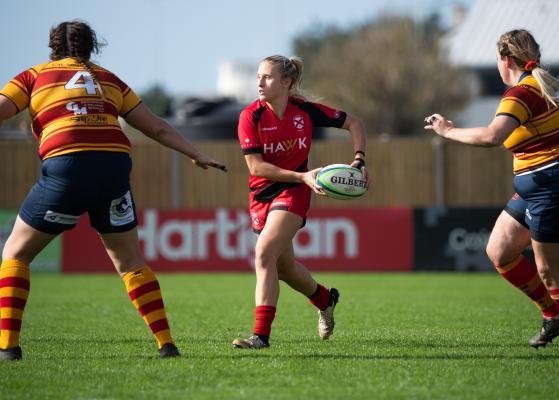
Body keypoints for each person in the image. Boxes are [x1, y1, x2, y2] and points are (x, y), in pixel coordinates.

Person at [0, 20, 227, 361]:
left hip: (68, 168)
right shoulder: (109, 79)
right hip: (114, 169)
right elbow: (158, 127)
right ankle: (167, 345)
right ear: (91, 48)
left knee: (15, 255)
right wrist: (196, 153)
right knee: (130, 262)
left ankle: (8, 348)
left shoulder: (34, 76)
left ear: (53, 47)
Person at [425, 29, 559, 352]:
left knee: (551, 272)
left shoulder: (522, 93)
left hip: (556, 183)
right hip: (551, 181)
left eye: (497, 60)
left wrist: (447, 131)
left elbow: (493, 136)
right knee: (500, 251)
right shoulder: (550, 86)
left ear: (505, 59)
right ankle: (554, 316)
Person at [232, 55, 367, 349]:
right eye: (258, 76)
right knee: (285, 269)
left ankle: (261, 337)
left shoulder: (304, 111)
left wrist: (359, 160)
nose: (259, 82)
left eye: (267, 77)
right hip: (262, 195)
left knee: (264, 253)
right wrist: (301, 175)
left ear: (286, 82)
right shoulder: (250, 116)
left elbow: (354, 123)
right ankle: (325, 299)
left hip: (295, 190)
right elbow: (255, 168)